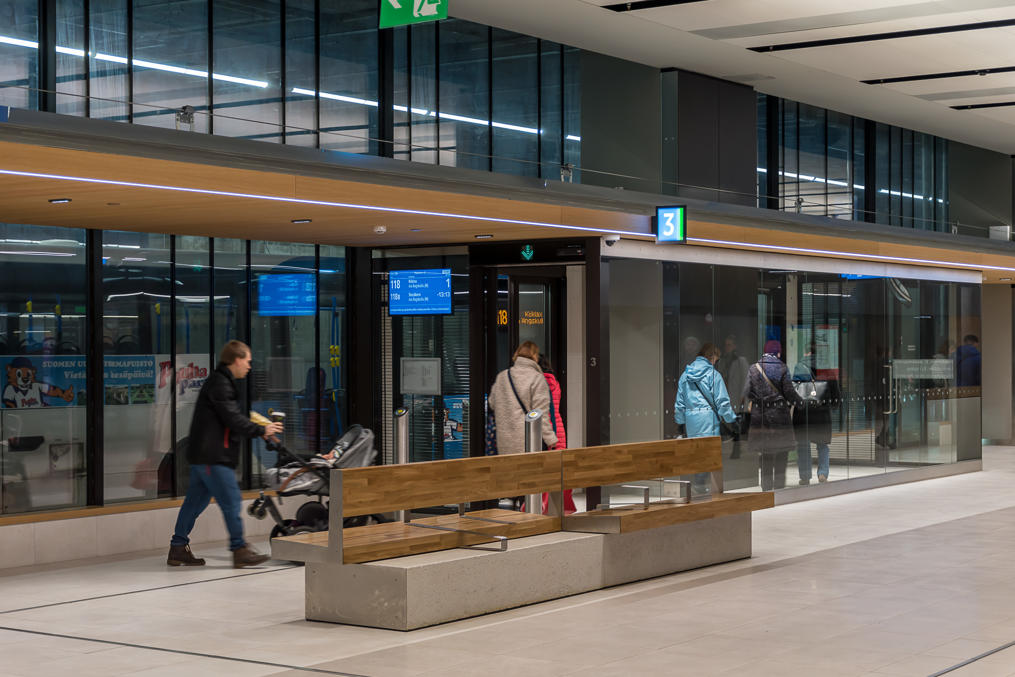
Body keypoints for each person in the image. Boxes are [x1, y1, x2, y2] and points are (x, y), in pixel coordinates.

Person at [167, 340, 283, 568]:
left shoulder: (221, 382)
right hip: (213, 456)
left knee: (194, 503)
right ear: (237, 359)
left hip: (203, 455)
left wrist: (260, 430)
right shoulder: (221, 383)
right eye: (248, 361)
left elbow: (232, 417)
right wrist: (261, 430)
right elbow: (233, 418)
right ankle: (239, 550)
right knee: (231, 501)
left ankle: (178, 547)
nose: (250, 366)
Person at [674, 342, 738, 493]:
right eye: (717, 358)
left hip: (691, 420)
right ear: (712, 357)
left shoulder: (685, 375)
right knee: (710, 453)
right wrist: (731, 419)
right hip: (708, 418)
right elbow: (722, 401)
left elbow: (679, 403)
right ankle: (705, 485)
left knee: (696, 452)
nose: (717, 361)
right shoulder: (713, 375)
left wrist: (680, 422)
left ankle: (699, 484)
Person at [743, 340, 801, 491]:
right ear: (778, 352)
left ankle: (766, 489)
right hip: (779, 415)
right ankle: (779, 487)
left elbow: (747, 392)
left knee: (766, 453)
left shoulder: (753, 369)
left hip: (760, 416)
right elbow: (789, 392)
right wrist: (801, 403)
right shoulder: (782, 367)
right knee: (782, 453)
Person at [488, 341, 558, 455]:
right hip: (528, 441)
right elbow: (541, 414)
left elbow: (491, 403)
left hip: (504, 441)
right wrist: (550, 439)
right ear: (535, 356)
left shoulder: (502, 376)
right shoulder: (537, 379)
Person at [792, 343, 836, 485]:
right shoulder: (828, 370)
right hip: (821, 413)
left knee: (803, 445)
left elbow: (794, 391)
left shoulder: (799, 367)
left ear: (806, 353)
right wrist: (833, 406)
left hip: (803, 413)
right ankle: (823, 473)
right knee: (822, 445)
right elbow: (836, 393)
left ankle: (805, 476)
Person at [538, 354, 576, 514]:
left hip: (545, 431)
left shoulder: (537, 384)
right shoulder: (554, 382)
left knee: (543, 472)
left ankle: (541, 507)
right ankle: (559, 507)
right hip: (558, 431)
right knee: (556, 470)